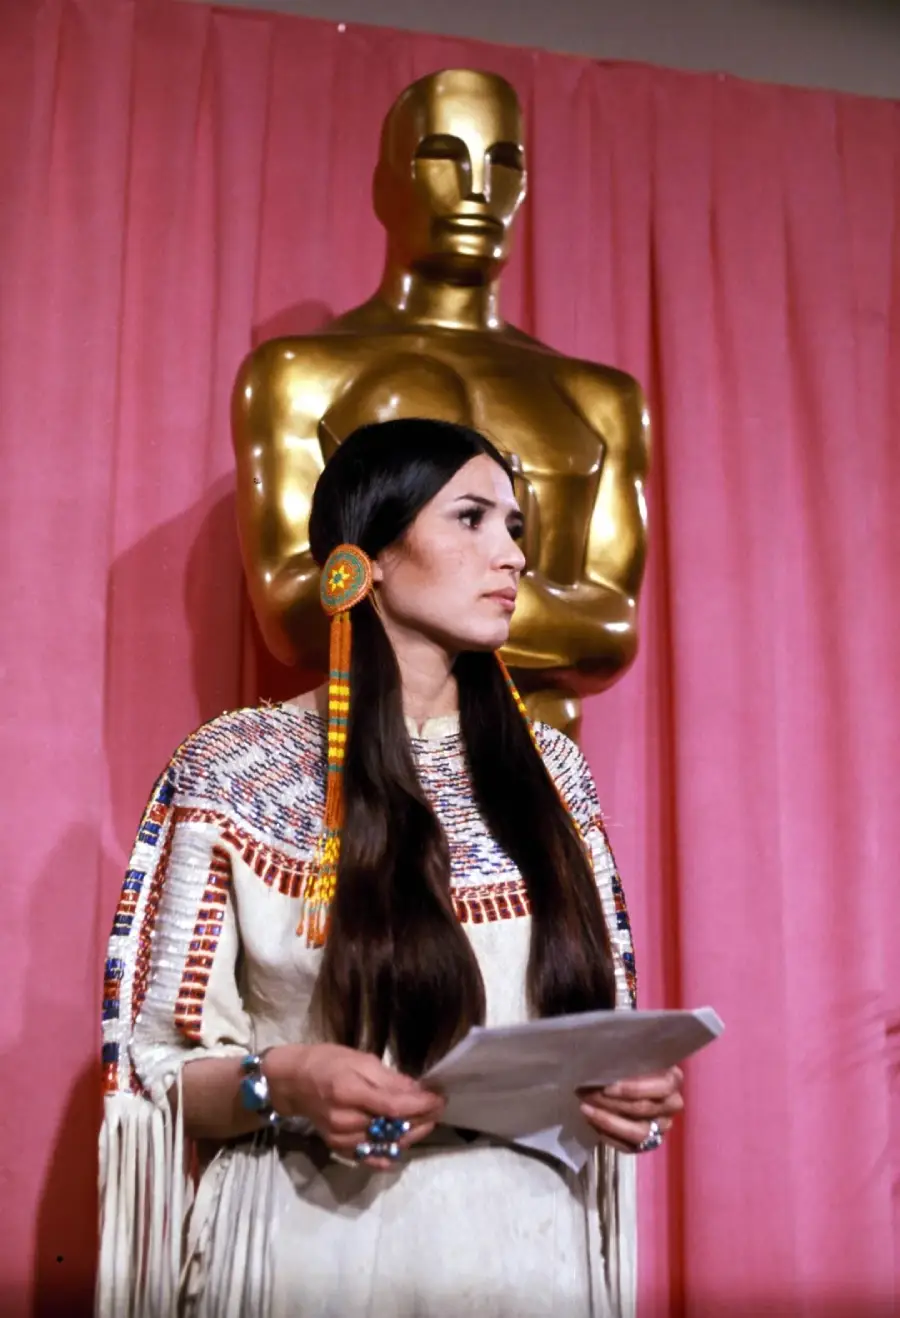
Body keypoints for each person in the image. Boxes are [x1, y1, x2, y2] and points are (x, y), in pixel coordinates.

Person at [97, 419, 683, 1318]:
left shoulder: (553, 775)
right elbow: (155, 1067)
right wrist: (282, 1080)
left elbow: (604, 1020)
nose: (513, 556)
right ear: (361, 560)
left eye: (515, 528)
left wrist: (631, 1084)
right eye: (473, 519)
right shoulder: (236, 767)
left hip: (528, 1251)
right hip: (310, 1236)